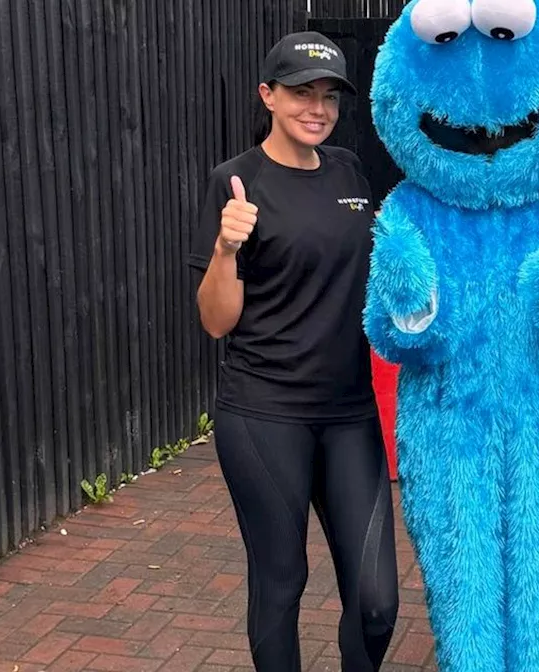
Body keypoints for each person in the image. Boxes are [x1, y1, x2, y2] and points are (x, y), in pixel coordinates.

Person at [186, 30, 398, 672]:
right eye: (301, 92)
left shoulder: (350, 171)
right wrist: (226, 249)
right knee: (281, 583)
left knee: (378, 599)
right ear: (268, 96)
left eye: (329, 94)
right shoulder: (236, 183)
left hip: (349, 413)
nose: (317, 107)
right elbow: (216, 321)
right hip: (263, 412)